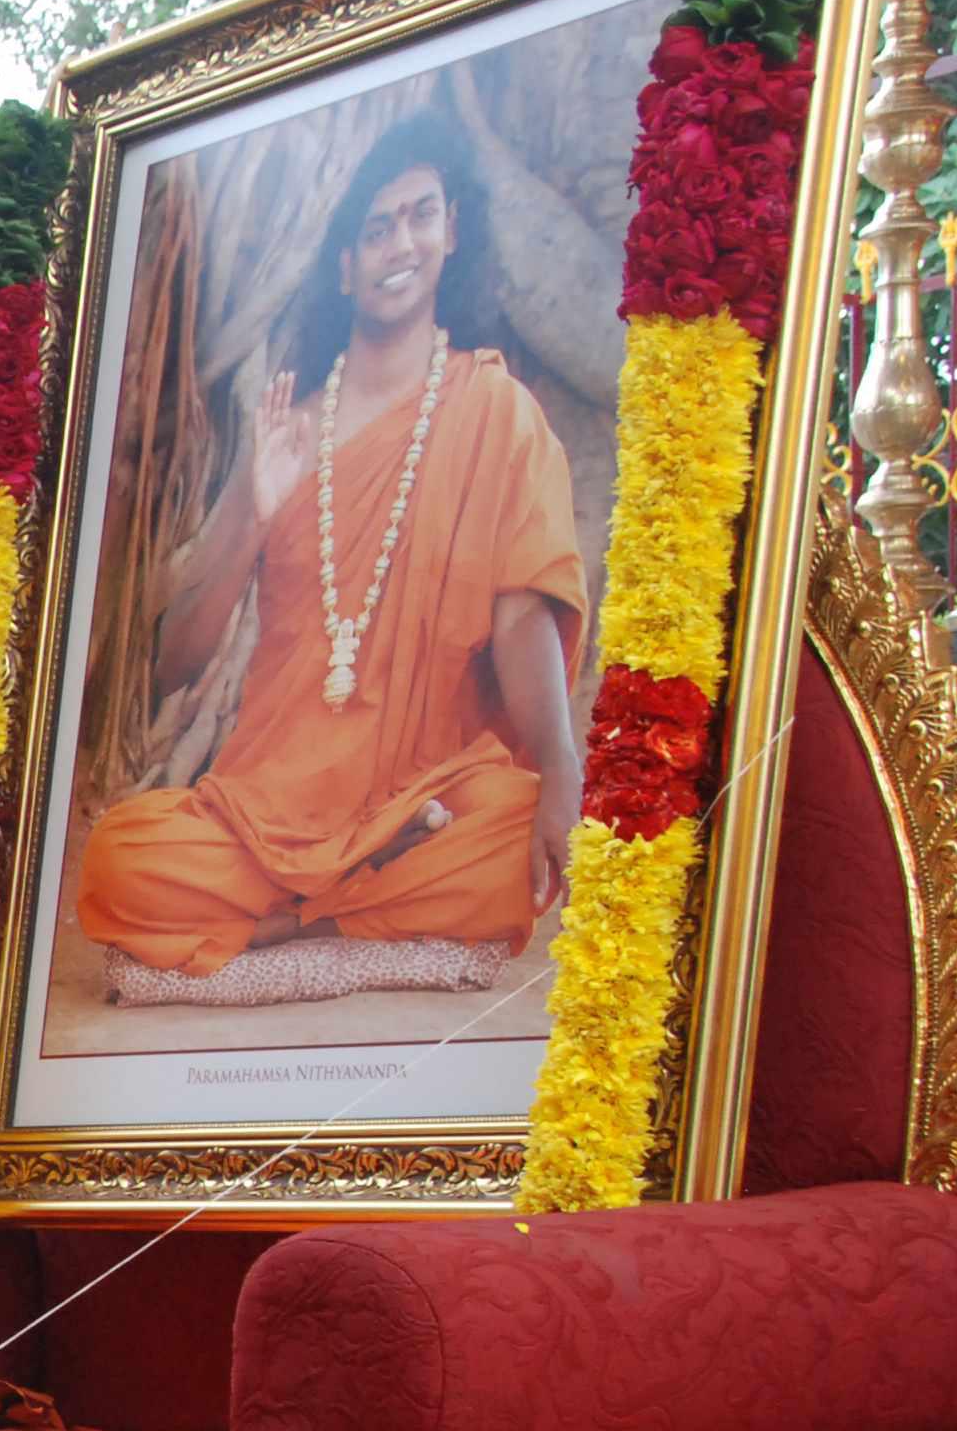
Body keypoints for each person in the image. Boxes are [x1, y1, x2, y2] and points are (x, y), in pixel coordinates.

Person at [74, 113, 588, 1007]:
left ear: (451, 231)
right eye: (376, 227)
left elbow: (521, 621)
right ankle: (346, 917)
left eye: (420, 215)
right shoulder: (289, 432)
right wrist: (250, 507)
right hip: (269, 805)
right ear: (345, 267)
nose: (401, 243)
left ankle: (289, 928)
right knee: (119, 860)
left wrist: (562, 769)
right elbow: (179, 660)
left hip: (424, 793)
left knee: (506, 838)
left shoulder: (494, 410)